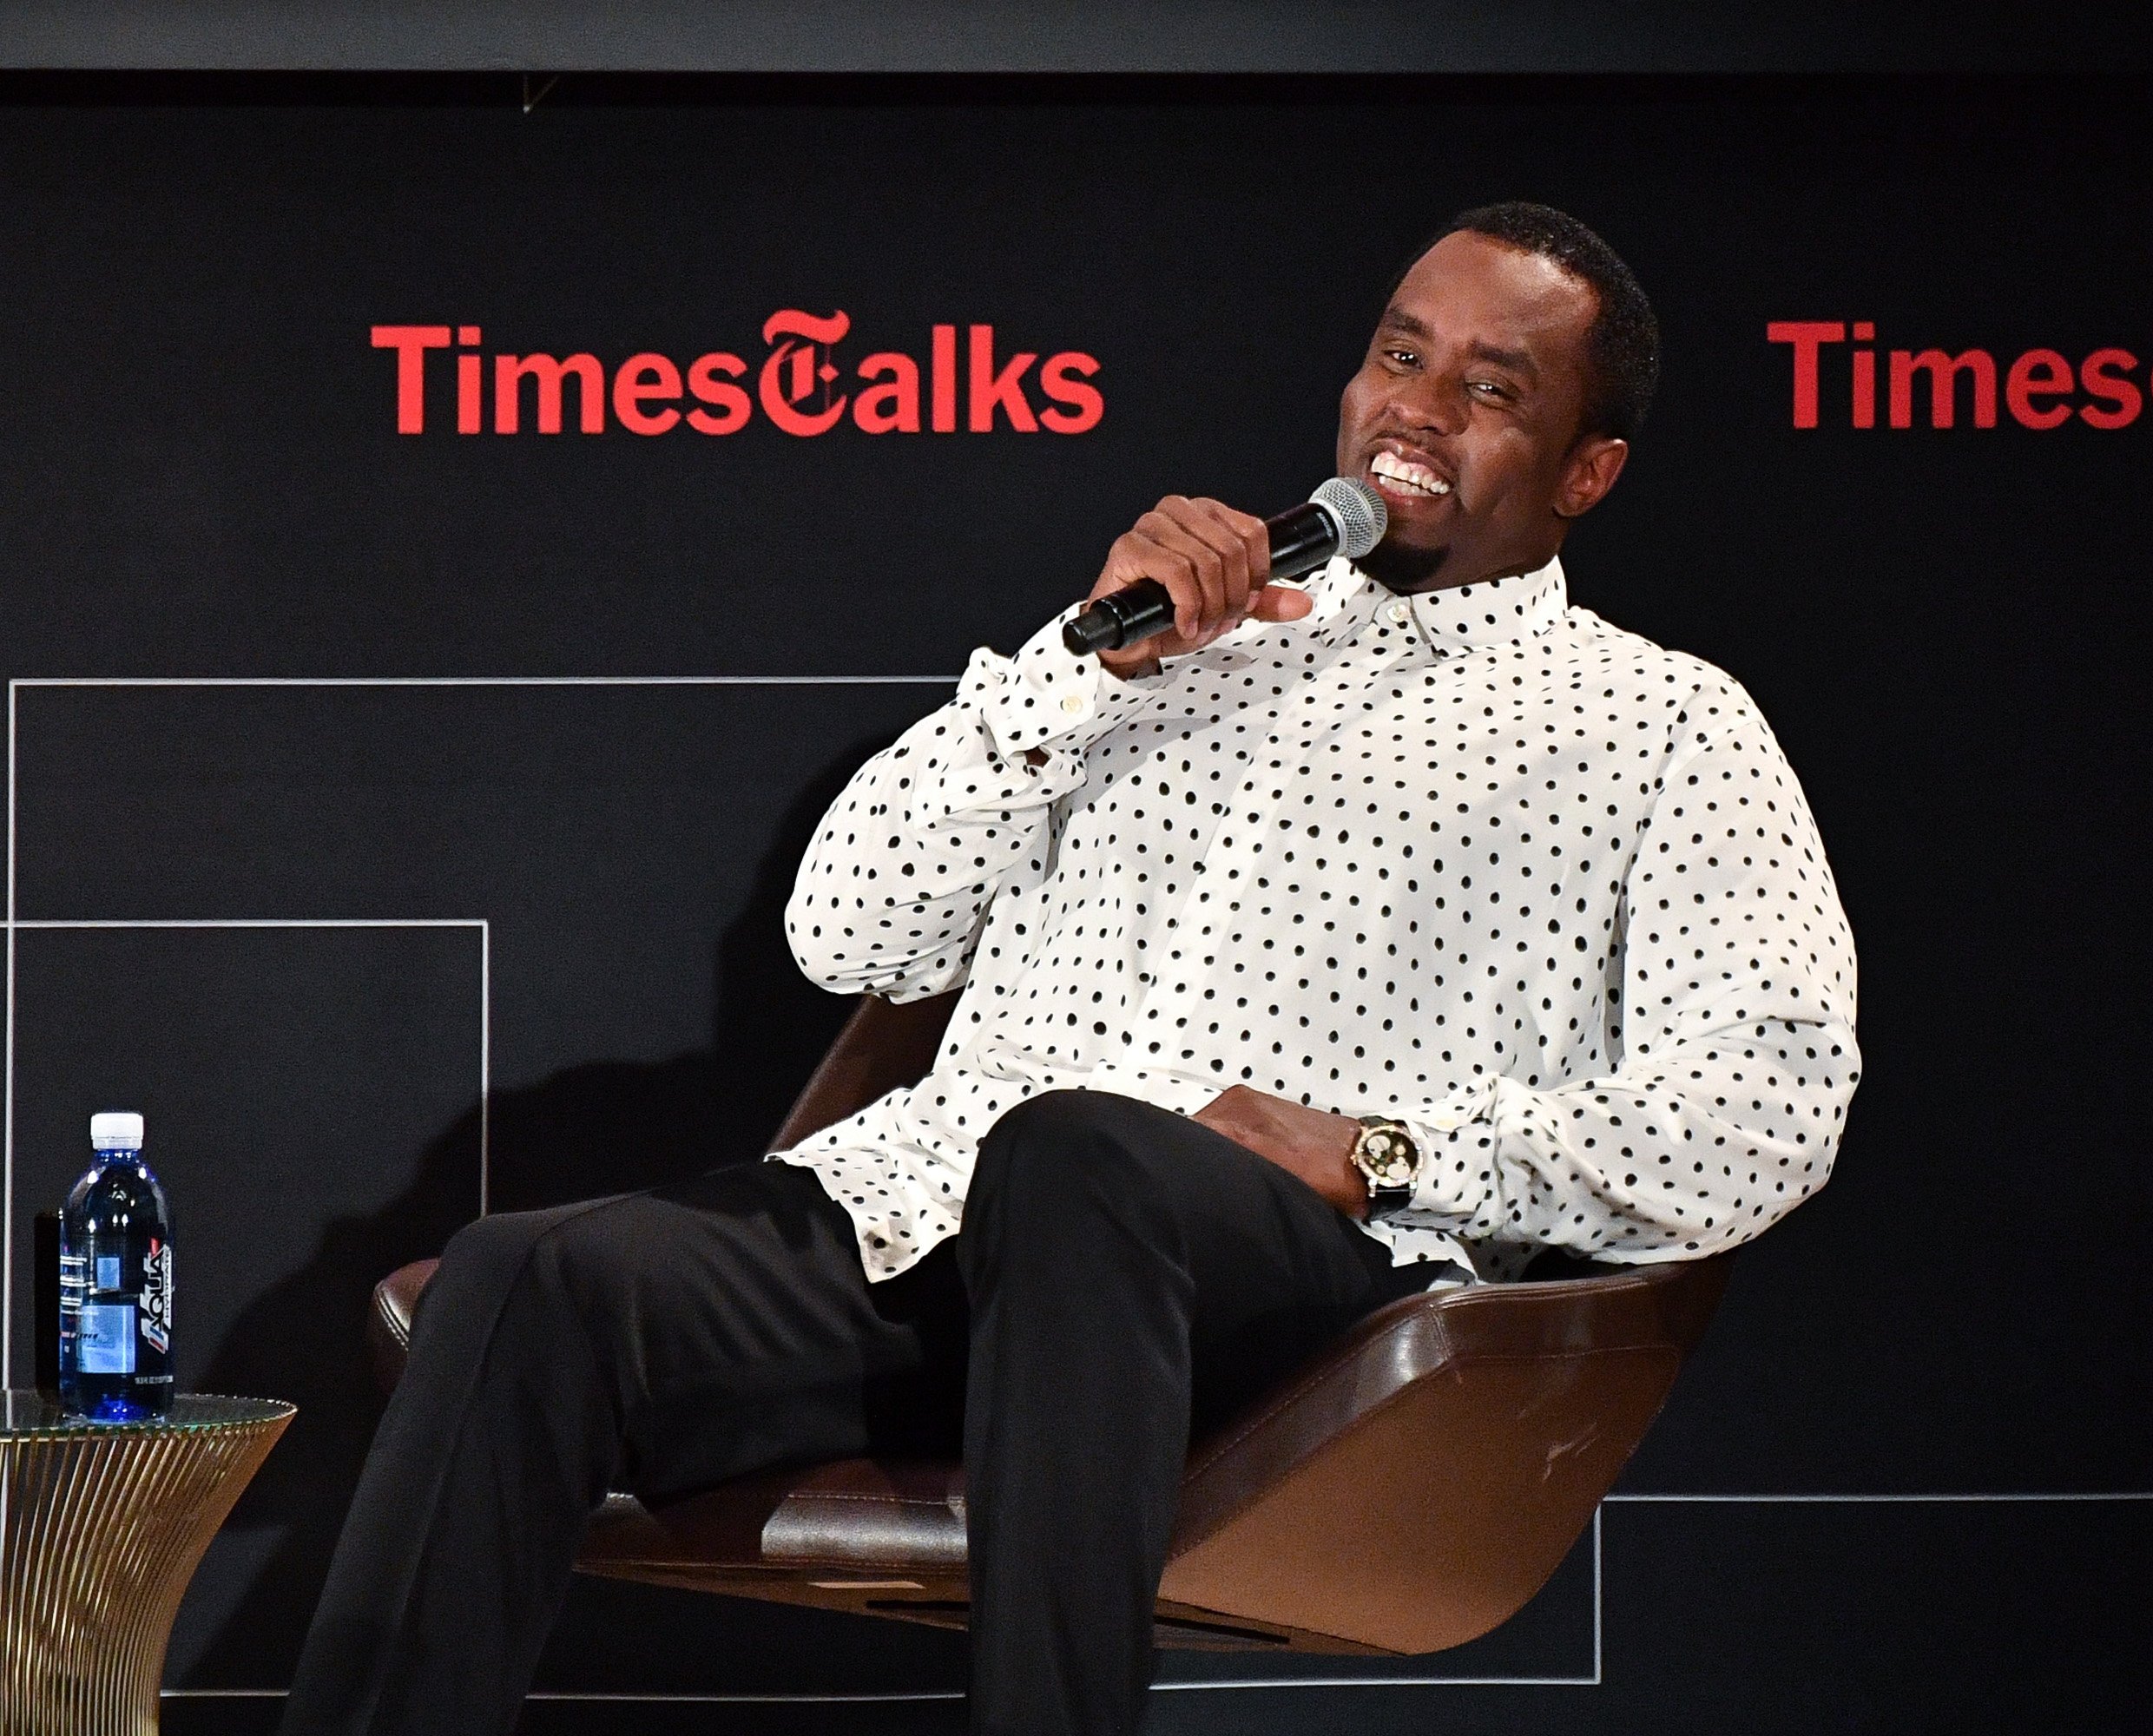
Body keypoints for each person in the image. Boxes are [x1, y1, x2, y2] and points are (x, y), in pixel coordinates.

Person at [280, 201, 1859, 1736]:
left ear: (1590, 470)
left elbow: (1774, 1096)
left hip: (1297, 1293)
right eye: (1401, 355)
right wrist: (1071, 669)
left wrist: (1390, 1154)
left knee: (1082, 1155)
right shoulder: (1157, 644)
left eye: (1490, 389)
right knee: (525, 1282)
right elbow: (847, 932)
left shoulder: (1665, 724)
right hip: (949, 1230)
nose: (1416, 412)